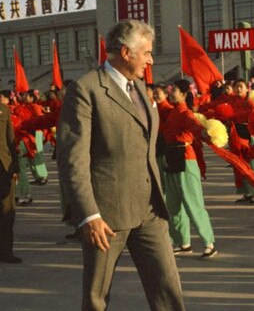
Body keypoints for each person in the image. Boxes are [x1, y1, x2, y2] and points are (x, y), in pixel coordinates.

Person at [57, 20, 185, 310]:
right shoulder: (86, 89)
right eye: (147, 53)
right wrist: (89, 216)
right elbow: (73, 159)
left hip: (149, 210)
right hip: (107, 216)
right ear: (126, 53)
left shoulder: (139, 87)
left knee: (168, 290)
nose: (151, 60)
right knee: (97, 297)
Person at [163, 80, 217, 258]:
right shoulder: (171, 112)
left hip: (185, 160)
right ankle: (183, 242)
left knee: (193, 203)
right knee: (173, 204)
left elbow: (196, 128)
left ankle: (208, 242)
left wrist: (203, 133)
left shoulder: (186, 113)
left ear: (185, 94)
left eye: (175, 90)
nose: (170, 93)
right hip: (171, 159)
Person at [0, 90, 20, 263]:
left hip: (4, 167)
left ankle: (6, 252)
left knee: (7, 212)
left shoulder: (3, 110)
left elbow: (10, 139)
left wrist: (16, 167)